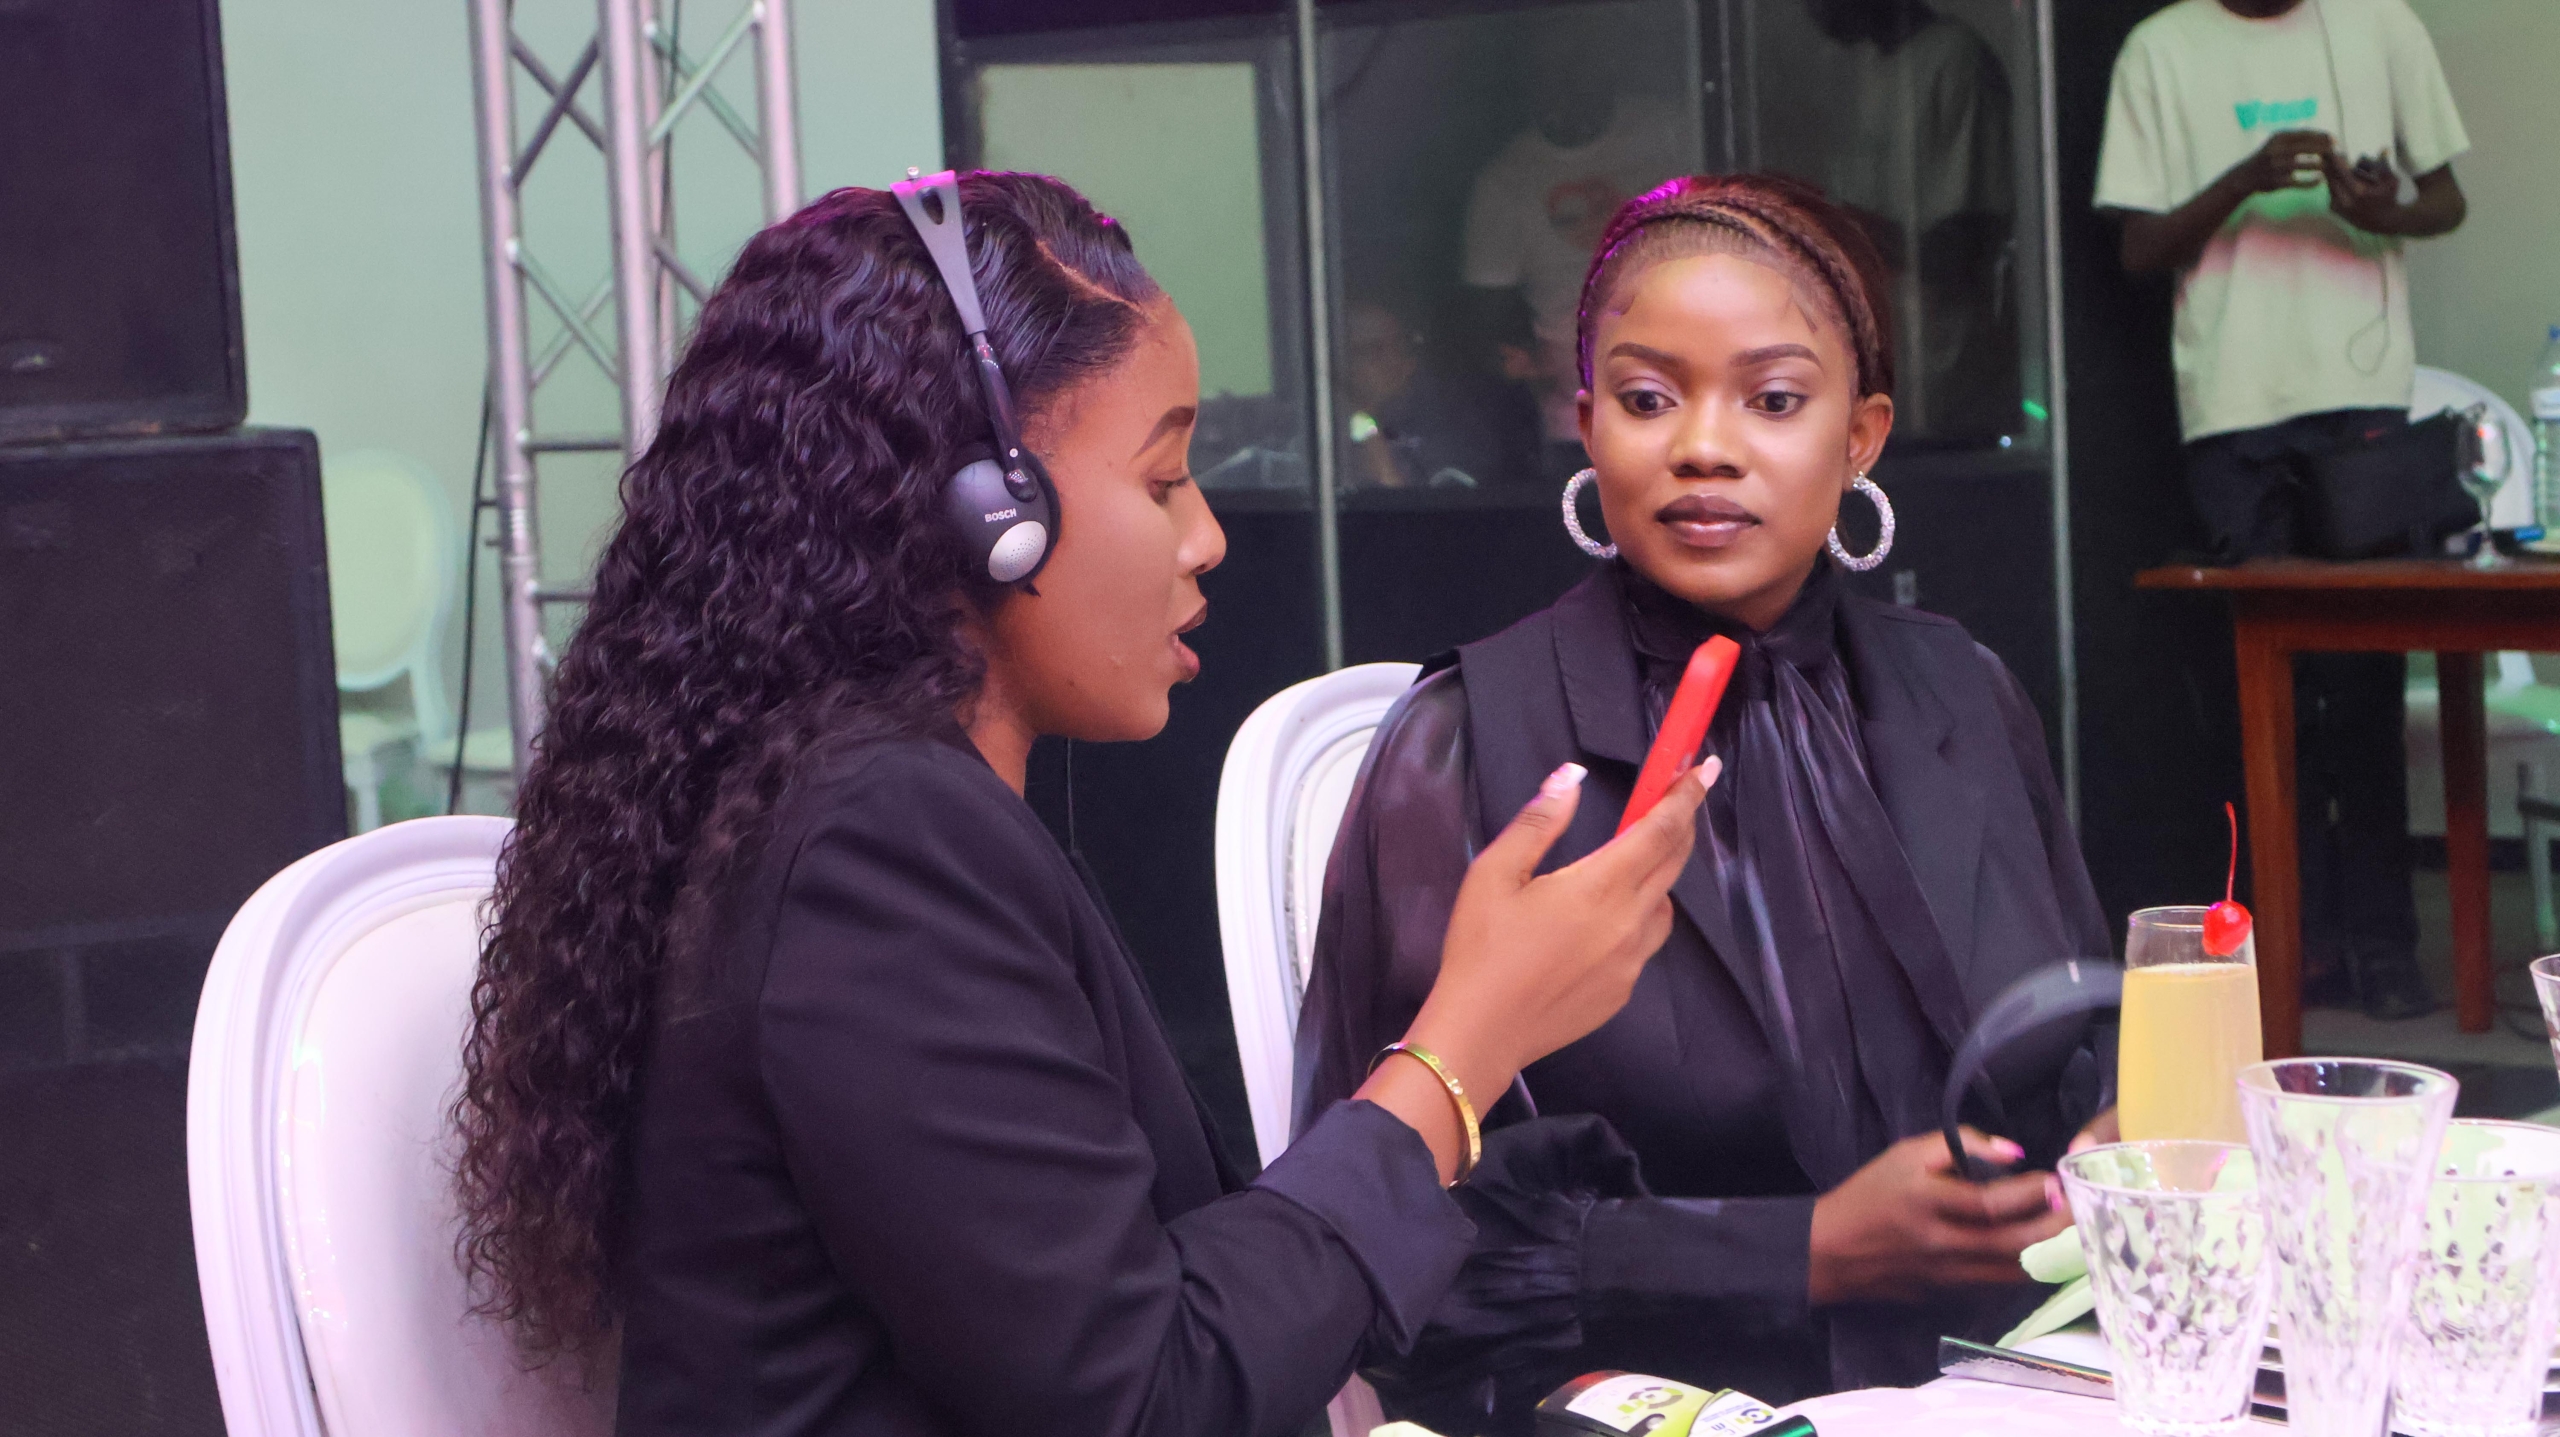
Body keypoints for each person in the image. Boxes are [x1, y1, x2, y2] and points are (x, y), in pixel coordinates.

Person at [447, 171, 1715, 1437]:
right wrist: (1465, 1044)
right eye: (1162, 480)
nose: (1207, 536)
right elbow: (1140, 1394)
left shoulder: (885, 804)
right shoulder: (878, 844)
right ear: (989, 516)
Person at [1296, 174, 2109, 1435]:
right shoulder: (1467, 745)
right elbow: (1364, 1251)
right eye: (1646, 399)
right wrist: (1803, 1251)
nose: (1703, 447)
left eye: (1773, 400)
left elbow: (2082, 1054)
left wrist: (2111, 1137)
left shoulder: (1962, 691)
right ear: (1585, 425)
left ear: (1862, 435)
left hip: (2010, 1389)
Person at [2096, 0, 2468, 1019]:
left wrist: (2380, 208)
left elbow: (2444, 200)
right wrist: (2244, 180)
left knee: (2366, 693)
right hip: (2231, 410)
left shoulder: (2382, 25)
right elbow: (2138, 248)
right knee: (2262, 705)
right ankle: (2290, 950)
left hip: (2361, 403)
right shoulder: (2160, 48)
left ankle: (2385, 950)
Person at [1460, 18, 1690, 479]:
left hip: (1690, 395)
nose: (1566, 80)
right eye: (1550, 68)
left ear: (1607, 65)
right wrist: (1528, 363)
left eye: (1578, 62)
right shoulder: (1506, 181)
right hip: (1580, 421)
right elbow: (1490, 315)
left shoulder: (1669, 128)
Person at [1804, 0, 2018, 441]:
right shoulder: (1864, 69)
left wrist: (1850, 230)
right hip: (1881, 373)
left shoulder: (1956, 61)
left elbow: (1969, 246)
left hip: (1945, 380)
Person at [1340, 298, 1540, 492]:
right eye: (1373, 351)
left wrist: (1368, 430)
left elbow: (1420, 507)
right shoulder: (1326, 431)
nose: (1394, 360)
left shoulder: (1447, 422)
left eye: (1400, 346)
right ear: (1340, 360)